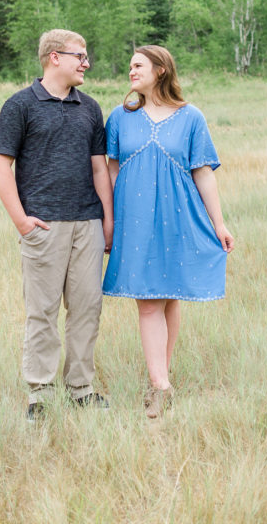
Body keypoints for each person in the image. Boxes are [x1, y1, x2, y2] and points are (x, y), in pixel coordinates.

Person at [102, 45, 234, 419]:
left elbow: (203, 172)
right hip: (135, 219)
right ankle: (160, 385)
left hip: (178, 216)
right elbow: (111, 170)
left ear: (161, 70)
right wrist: (110, 219)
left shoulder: (191, 117)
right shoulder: (120, 118)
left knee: (170, 295)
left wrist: (219, 223)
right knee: (148, 300)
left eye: (138, 65)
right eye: (129, 66)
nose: (131, 71)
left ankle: (161, 377)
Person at [0, 29, 114, 420]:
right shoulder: (20, 105)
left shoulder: (90, 108)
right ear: (54, 57)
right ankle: (40, 395)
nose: (86, 64)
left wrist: (108, 220)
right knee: (42, 312)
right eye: (80, 56)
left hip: (87, 223)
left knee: (87, 308)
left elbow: (99, 168)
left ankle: (81, 390)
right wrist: (21, 221)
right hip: (42, 226)